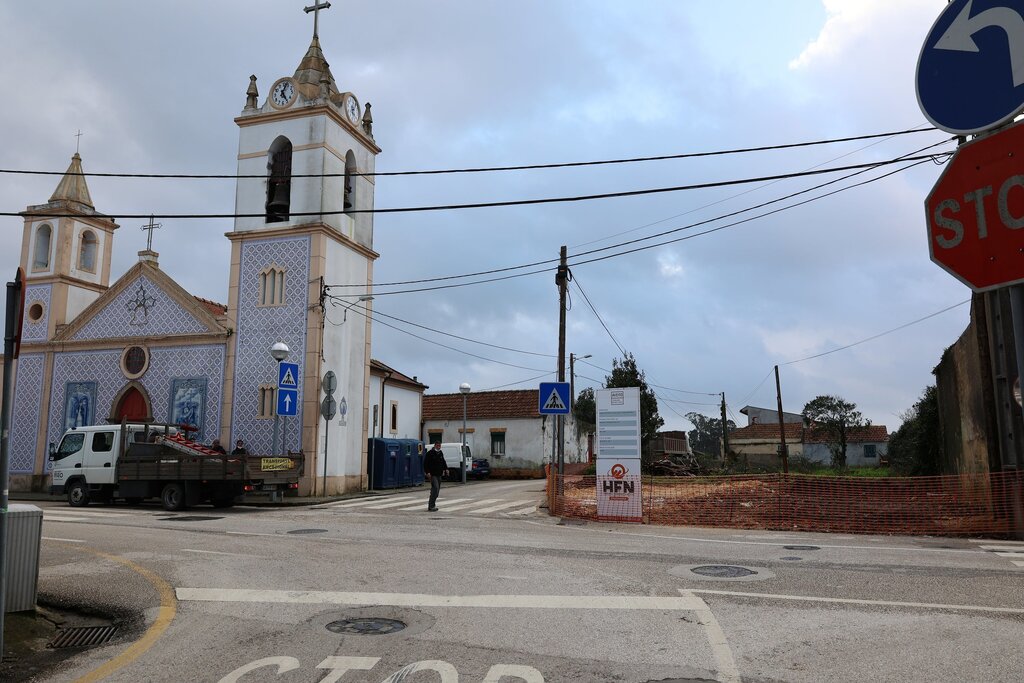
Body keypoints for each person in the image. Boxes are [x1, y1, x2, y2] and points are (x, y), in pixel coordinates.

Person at [424, 441, 449, 512]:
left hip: (439, 474)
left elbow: (443, 462)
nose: (439, 447)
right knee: (436, 488)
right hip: (433, 474)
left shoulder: (440, 453)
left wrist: (446, 469)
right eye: (437, 445)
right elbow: (425, 463)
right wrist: (427, 472)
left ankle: (432, 504)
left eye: (439, 446)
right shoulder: (430, 453)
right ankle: (431, 506)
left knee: (436, 491)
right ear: (435, 446)